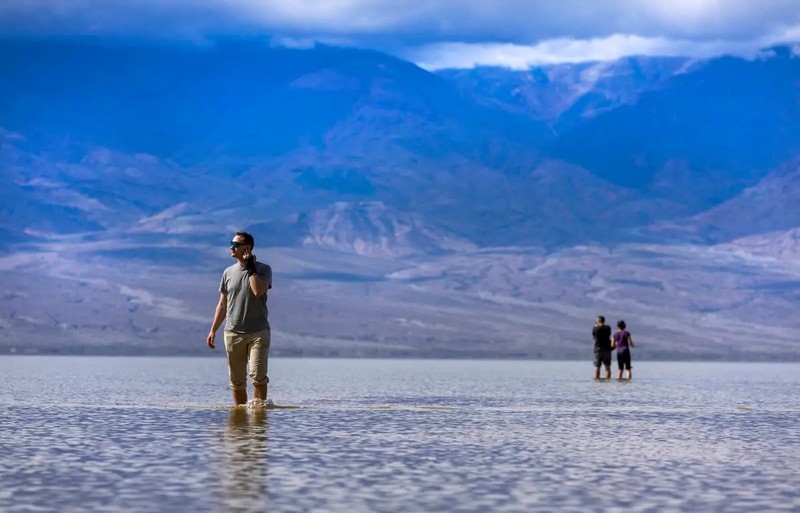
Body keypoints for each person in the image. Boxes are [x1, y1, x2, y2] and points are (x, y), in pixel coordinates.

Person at [207, 231, 273, 405]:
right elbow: (222, 304)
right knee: (237, 381)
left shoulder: (263, 269)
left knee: (258, 376)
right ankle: (240, 420)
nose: (231, 247)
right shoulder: (227, 273)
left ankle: (258, 420)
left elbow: (258, 291)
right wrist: (213, 329)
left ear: (247, 248)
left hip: (258, 331)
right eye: (231, 244)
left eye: (235, 245)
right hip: (233, 332)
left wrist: (251, 267)